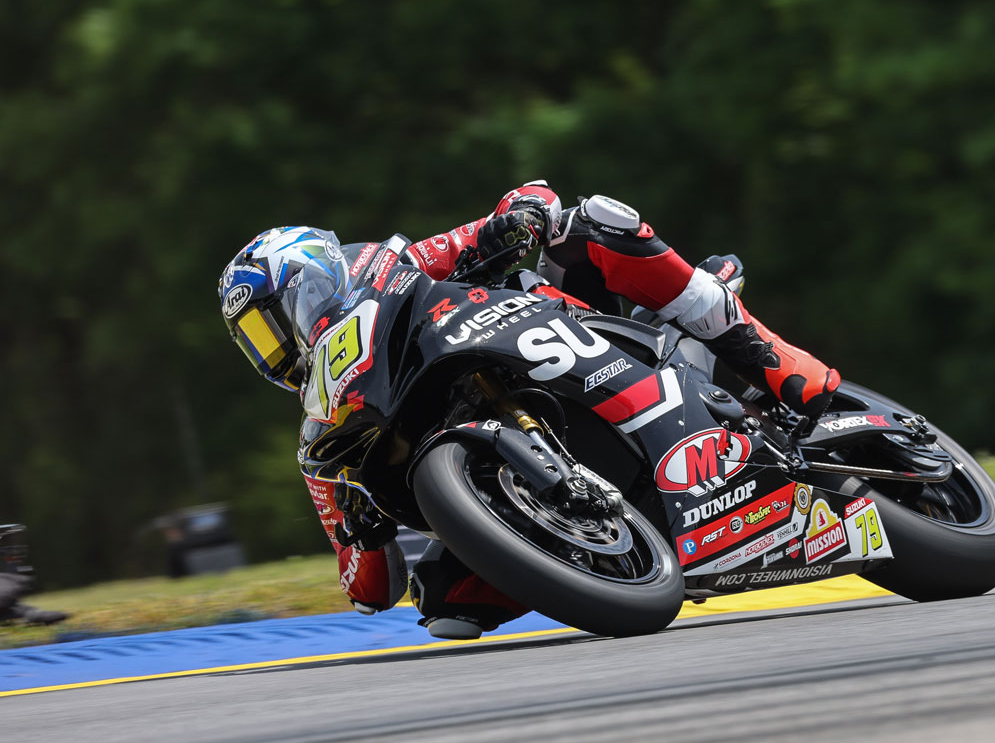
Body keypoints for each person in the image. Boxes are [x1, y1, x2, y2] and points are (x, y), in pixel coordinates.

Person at [218, 182, 839, 639]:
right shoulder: (323, 437)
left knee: (591, 223)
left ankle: (770, 358)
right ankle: (611, 558)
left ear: (309, 283)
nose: (272, 352)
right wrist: (362, 530)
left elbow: (526, 201)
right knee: (444, 603)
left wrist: (517, 219)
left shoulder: (390, 266)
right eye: (255, 344)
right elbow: (369, 591)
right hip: (517, 467)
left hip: (553, 328)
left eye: (269, 328)